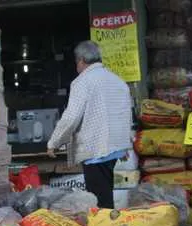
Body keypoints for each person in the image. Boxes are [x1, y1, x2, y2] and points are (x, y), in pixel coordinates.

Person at [47, 41, 132, 209]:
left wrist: (54, 143)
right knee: (105, 191)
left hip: (96, 148)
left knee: (99, 199)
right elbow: (124, 114)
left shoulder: (82, 82)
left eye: (76, 62)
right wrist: (123, 144)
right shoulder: (118, 81)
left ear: (81, 60)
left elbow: (71, 117)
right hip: (113, 149)